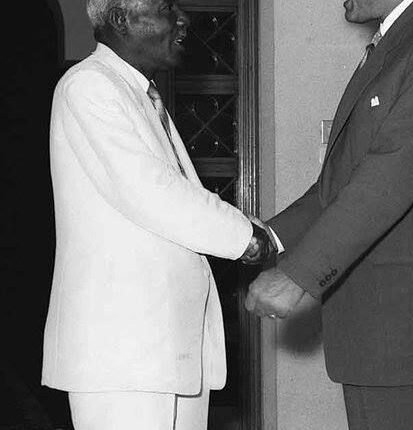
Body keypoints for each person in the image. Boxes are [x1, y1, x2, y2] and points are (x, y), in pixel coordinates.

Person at [245, 0, 413, 428]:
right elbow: (342, 183)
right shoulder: (405, 38)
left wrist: (297, 275)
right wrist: (267, 237)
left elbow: (389, 175)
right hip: (384, 340)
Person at [41, 0, 275, 429]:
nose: (183, 18)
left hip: (163, 352)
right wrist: (246, 236)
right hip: (123, 357)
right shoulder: (89, 85)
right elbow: (152, 192)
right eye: (166, 7)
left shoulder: (138, 94)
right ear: (119, 19)